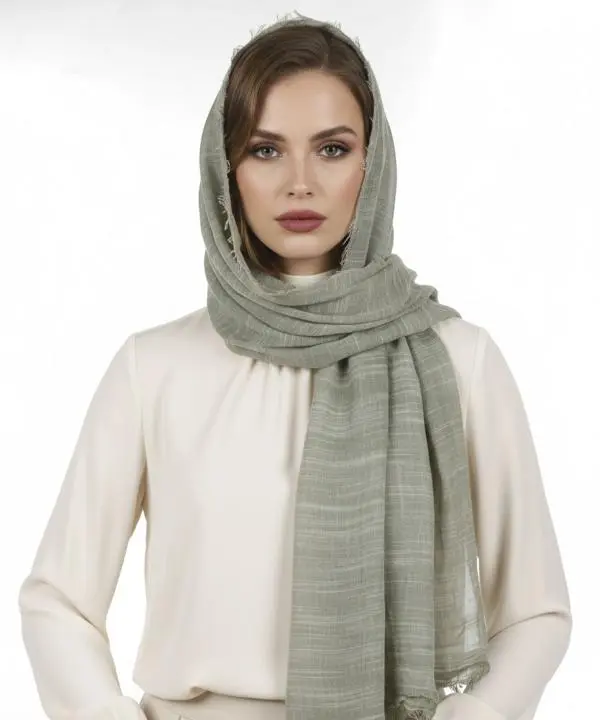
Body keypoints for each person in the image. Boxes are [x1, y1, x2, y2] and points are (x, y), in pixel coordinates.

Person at [17, 11, 572, 720]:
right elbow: (58, 600)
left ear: (373, 163)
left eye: (333, 149)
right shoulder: (153, 368)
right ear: (226, 169)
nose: (300, 183)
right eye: (266, 150)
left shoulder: (459, 361)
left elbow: (535, 611)